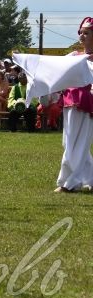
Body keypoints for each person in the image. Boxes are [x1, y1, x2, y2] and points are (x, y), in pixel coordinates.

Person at [55, 17, 93, 192]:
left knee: (77, 144)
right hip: (69, 102)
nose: (82, 36)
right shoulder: (73, 57)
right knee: (69, 143)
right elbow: (55, 71)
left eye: (86, 33)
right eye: (81, 32)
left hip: (87, 105)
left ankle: (69, 183)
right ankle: (90, 178)